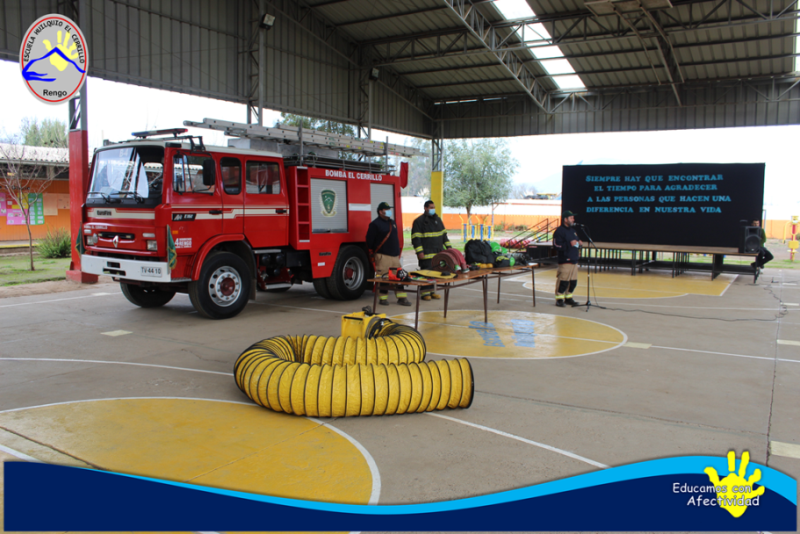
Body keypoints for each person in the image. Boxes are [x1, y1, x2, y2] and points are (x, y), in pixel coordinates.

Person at [366, 202, 411, 306]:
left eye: (389, 209)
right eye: (386, 209)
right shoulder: (375, 224)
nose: (389, 211)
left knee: (399, 278)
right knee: (383, 278)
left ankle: (402, 298)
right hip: (383, 256)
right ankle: (383, 298)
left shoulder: (392, 223)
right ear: (380, 211)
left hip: (394, 256)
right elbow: (369, 241)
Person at [411, 200, 453, 300]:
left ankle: (433, 291)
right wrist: (419, 251)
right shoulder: (419, 221)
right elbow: (416, 238)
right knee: (426, 273)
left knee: (436, 273)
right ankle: (424, 293)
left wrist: (449, 249)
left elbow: (444, 236)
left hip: (438, 254)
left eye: (433, 207)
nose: (432, 209)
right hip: (426, 253)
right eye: (431, 207)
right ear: (425, 208)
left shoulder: (437, 220)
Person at [552, 210, 581, 307]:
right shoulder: (559, 231)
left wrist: (579, 244)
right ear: (565, 219)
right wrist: (569, 244)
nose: (573, 219)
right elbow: (556, 245)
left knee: (573, 281)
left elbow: (575, 243)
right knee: (563, 280)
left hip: (574, 260)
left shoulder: (573, 231)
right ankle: (559, 299)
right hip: (565, 260)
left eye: (573, 217)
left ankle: (568, 297)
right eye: (571, 217)